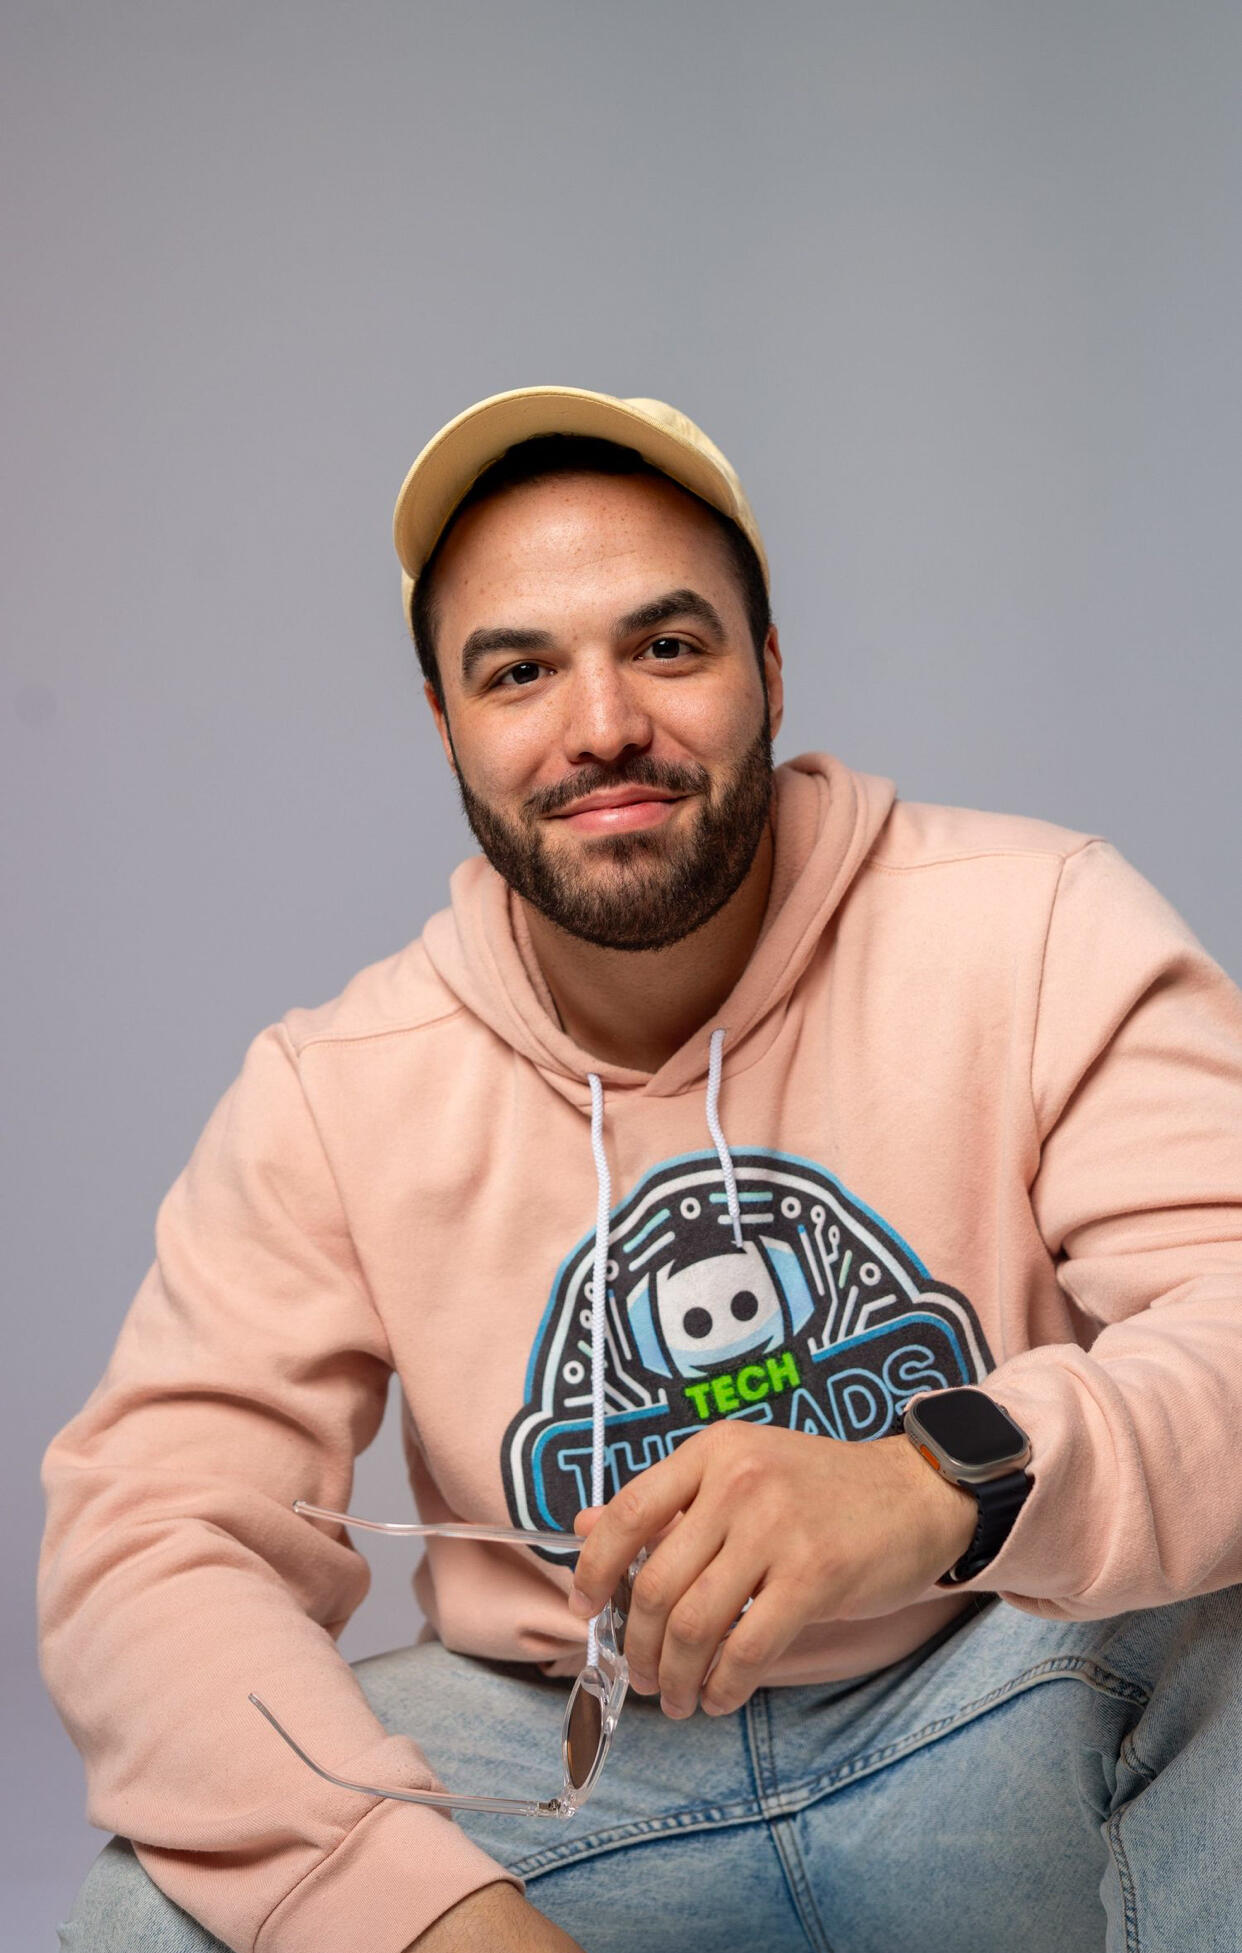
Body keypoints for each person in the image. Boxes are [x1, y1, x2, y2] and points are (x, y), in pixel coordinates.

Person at [42, 387, 1242, 1953]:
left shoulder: (1035, 925)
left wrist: (930, 1476)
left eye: (665, 646)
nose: (601, 721)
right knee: (159, 1910)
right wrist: (430, 1919)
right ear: (444, 724)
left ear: (771, 671)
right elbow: (153, 1539)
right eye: (519, 671)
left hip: (998, 1702)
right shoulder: (331, 1089)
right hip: (572, 1784)